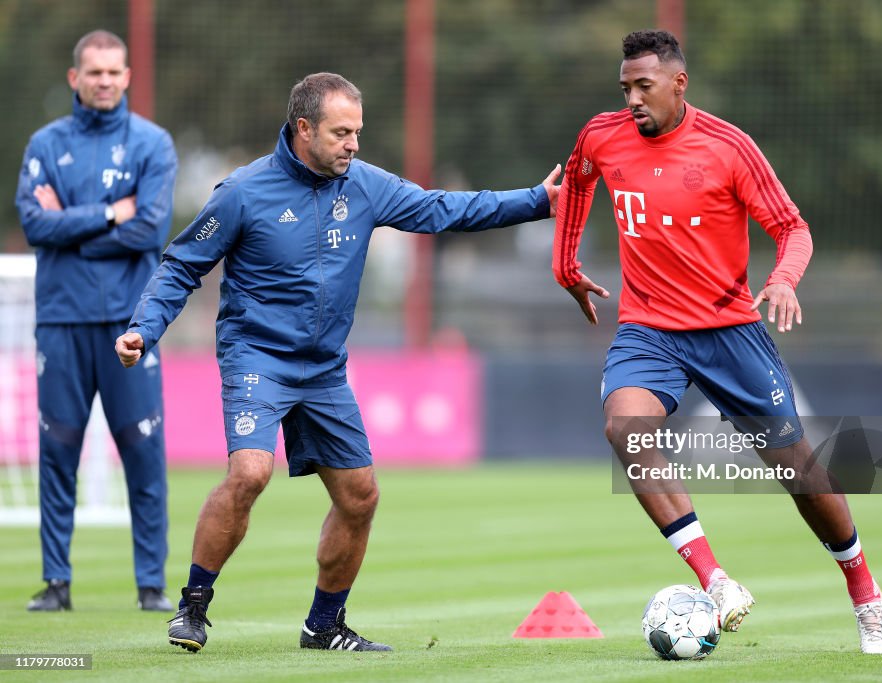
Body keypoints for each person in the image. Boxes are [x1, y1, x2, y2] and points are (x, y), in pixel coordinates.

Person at [115, 72, 560, 653]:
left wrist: (537, 201)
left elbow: (442, 209)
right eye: (341, 132)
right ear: (304, 129)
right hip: (257, 356)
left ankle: (324, 626)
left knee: (360, 496)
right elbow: (181, 266)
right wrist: (144, 329)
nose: (354, 144)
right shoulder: (244, 191)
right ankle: (193, 608)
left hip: (323, 369)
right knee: (250, 473)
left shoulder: (366, 185)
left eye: (358, 132)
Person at [552, 30, 882, 655]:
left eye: (644, 87)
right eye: (625, 87)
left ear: (679, 84)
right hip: (649, 328)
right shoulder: (601, 135)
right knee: (625, 430)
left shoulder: (728, 147)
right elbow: (576, 186)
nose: (632, 98)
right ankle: (713, 578)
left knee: (798, 473)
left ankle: (864, 590)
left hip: (728, 330)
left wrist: (784, 280)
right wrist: (565, 267)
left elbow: (792, 227)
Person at [15, 30, 177, 613]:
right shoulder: (44, 143)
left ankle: (151, 586)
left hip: (128, 327)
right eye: (94, 72)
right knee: (57, 449)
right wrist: (111, 212)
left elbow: (149, 232)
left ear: (127, 77)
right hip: (60, 320)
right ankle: (56, 582)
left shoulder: (153, 145)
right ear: (74, 78)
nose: (104, 81)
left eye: (114, 72)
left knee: (142, 451)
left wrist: (71, 230)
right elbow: (36, 225)